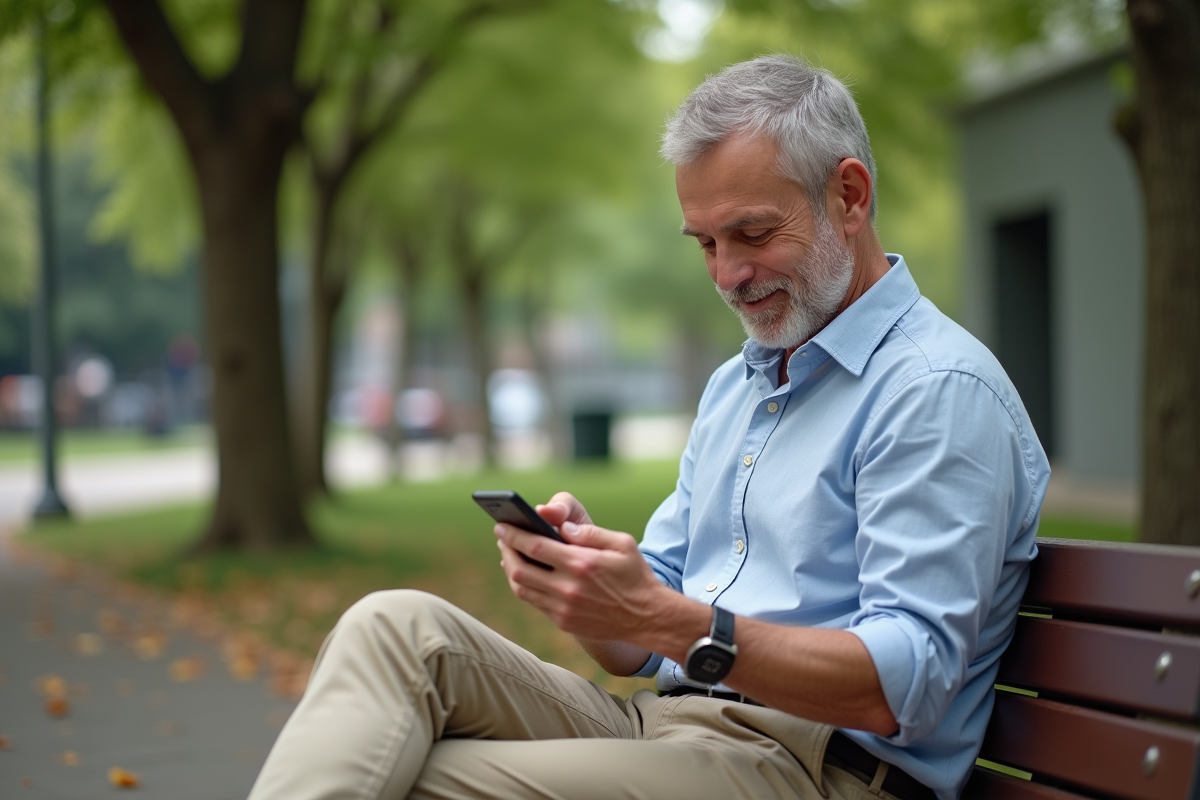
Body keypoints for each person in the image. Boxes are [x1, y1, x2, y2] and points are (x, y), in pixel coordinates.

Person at [248, 55, 1049, 800]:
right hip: (672, 729)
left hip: (815, 769)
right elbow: (635, 648)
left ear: (849, 195)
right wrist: (591, 587)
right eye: (705, 243)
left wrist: (661, 617)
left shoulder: (934, 390)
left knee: (421, 777)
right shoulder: (738, 386)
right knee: (394, 627)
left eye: (753, 234)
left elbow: (897, 686)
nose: (727, 275)